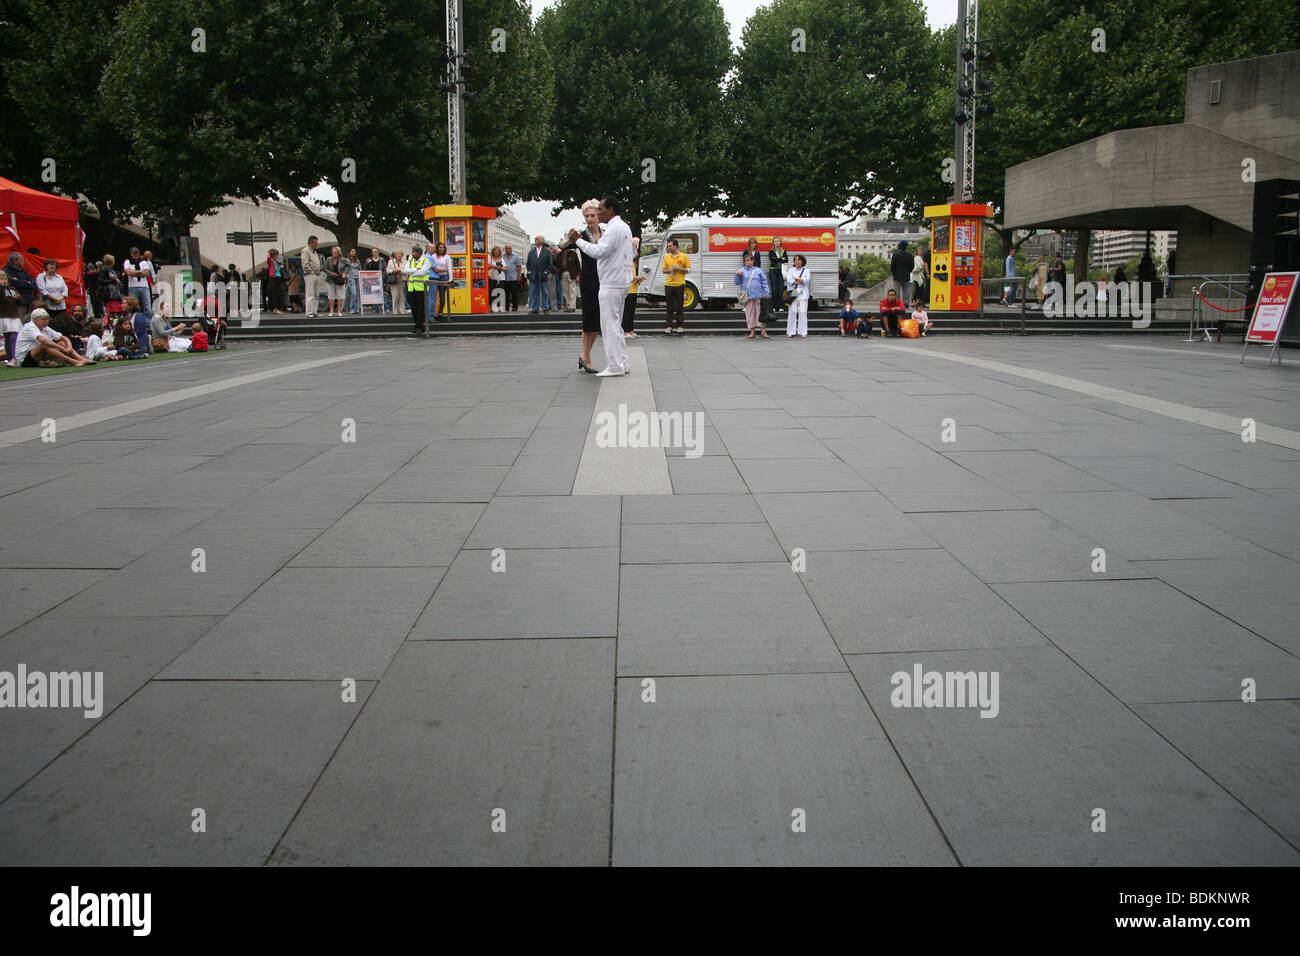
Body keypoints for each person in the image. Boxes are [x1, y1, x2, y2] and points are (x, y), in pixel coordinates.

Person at [570, 194, 634, 377]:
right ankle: (622, 362)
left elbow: (599, 251)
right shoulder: (624, 227)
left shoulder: (613, 229)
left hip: (611, 282)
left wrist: (578, 241)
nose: (598, 213)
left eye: (600, 210)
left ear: (610, 210)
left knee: (609, 326)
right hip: (620, 281)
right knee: (616, 324)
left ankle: (615, 365)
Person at [561, 199, 602, 373]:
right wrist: (570, 238)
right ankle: (585, 356)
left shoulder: (606, 232)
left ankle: (584, 356)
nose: (590, 219)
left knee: (597, 322)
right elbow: (562, 246)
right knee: (589, 320)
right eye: (587, 216)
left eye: (592, 215)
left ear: (599, 215)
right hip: (589, 280)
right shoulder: (582, 235)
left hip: (604, 280)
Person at [15, 308, 93, 367]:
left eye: (47, 319)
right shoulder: (29, 327)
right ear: (35, 320)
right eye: (43, 319)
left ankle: (80, 359)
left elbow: (63, 338)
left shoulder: (44, 327)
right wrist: (61, 348)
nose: (46, 321)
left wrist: (68, 347)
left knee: (62, 343)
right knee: (45, 345)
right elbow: (43, 340)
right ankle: (73, 361)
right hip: (24, 359)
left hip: (38, 356)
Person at [735, 253, 770, 339]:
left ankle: (763, 331)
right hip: (748, 296)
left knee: (760, 313)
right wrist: (737, 275)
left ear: (752, 260)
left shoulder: (758, 270)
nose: (746, 262)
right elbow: (737, 282)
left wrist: (767, 292)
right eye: (745, 261)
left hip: (758, 295)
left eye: (748, 260)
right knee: (749, 314)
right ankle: (752, 331)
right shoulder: (742, 270)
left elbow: (764, 282)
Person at [662, 237, 690, 334]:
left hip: (679, 284)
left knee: (679, 306)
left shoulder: (683, 256)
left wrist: (680, 268)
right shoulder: (666, 257)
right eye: (668, 246)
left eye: (670, 246)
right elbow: (663, 270)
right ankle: (669, 326)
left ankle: (680, 325)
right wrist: (669, 270)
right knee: (669, 306)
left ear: (675, 246)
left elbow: (688, 270)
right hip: (669, 284)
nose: (668, 247)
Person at [403, 243, 431, 334]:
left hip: (422, 288)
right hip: (411, 288)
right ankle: (417, 325)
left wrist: (411, 272)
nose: (412, 253)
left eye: (413, 252)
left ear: (418, 253)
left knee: (420, 309)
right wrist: (416, 270)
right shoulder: (410, 260)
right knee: (414, 308)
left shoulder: (425, 260)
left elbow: (423, 272)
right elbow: (405, 270)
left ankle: (420, 326)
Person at [526, 235, 553, 314]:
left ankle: (545, 308)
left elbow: (550, 264)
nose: (535, 240)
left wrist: (546, 272)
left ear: (542, 240)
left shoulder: (547, 252)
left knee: (544, 291)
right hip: (533, 274)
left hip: (543, 273)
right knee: (534, 291)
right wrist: (529, 272)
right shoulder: (531, 252)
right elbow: (528, 264)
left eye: (537, 239)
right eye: (535, 239)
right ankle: (535, 308)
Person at [123, 247, 153, 316]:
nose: (135, 255)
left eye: (136, 253)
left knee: (147, 306)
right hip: (133, 286)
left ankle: (148, 322)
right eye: (134, 253)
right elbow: (128, 273)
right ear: (131, 254)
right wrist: (140, 272)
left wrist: (134, 272)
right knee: (133, 306)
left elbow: (147, 273)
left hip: (144, 286)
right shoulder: (127, 262)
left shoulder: (144, 262)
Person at [786, 254, 811, 337]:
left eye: (799, 260)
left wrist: (800, 280)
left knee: (803, 313)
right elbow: (789, 280)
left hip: (803, 293)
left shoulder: (806, 270)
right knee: (792, 312)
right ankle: (790, 331)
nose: (797, 261)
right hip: (794, 292)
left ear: (802, 261)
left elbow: (806, 280)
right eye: (795, 260)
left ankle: (803, 331)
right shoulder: (791, 270)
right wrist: (797, 281)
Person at [622, 236, 642, 338]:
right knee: (627, 312)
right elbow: (628, 276)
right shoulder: (626, 261)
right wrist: (638, 277)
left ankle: (630, 330)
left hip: (633, 290)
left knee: (631, 312)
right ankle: (625, 331)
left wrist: (638, 279)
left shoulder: (633, 263)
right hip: (628, 290)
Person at [430, 242, 453, 321]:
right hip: (435, 276)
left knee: (442, 295)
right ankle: (433, 313)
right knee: (433, 295)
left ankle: (440, 312)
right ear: (437, 248)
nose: (442, 249)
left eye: (443, 247)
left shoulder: (447, 257)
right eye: (440, 247)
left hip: (444, 276)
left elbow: (449, 268)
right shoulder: (433, 256)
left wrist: (450, 279)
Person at [301, 236, 323, 317]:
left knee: (316, 294)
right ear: (311, 242)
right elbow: (305, 263)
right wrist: (310, 271)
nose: (316, 244)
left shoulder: (314, 251)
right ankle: (309, 312)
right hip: (310, 274)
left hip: (316, 274)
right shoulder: (306, 250)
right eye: (315, 243)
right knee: (310, 294)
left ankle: (314, 311)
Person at [98, 254, 124, 319]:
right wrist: (113, 280)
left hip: (113, 293)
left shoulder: (110, 269)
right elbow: (101, 280)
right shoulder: (105, 269)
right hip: (108, 293)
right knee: (109, 309)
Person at [767, 236, 787, 315]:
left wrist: (778, 259)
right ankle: (774, 306)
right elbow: (772, 259)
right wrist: (781, 259)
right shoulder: (771, 251)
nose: (777, 243)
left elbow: (786, 260)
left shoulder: (783, 251)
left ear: (780, 242)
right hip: (773, 271)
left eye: (778, 241)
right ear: (773, 243)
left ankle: (781, 306)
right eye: (775, 241)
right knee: (774, 289)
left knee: (780, 289)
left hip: (781, 271)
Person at [556, 245, 580, 313]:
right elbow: (557, 265)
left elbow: (578, 265)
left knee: (572, 290)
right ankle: (568, 306)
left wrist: (578, 275)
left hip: (572, 273)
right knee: (566, 291)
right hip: (563, 273)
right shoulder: (559, 255)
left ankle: (572, 306)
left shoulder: (573, 254)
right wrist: (559, 273)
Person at [324, 246, 346, 316]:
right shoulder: (329, 259)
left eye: (336, 252)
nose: (334, 253)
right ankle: (331, 311)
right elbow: (324, 268)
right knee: (331, 295)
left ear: (339, 253)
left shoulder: (343, 259)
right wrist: (330, 273)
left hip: (340, 279)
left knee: (340, 295)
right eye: (333, 252)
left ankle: (339, 311)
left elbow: (349, 266)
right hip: (331, 279)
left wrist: (344, 273)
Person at [891, 240, 914, 306]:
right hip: (906, 274)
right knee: (907, 290)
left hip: (897, 274)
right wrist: (908, 271)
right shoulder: (910, 255)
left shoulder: (895, 255)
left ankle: (897, 303)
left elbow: (893, 265)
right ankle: (906, 303)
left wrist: (894, 273)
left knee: (897, 290)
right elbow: (912, 266)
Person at [502, 244, 523, 312]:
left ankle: (515, 307)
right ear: (505, 249)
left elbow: (519, 266)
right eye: (506, 248)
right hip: (505, 278)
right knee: (506, 294)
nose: (508, 250)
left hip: (513, 278)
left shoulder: (515, 256)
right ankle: (506, 307)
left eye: (509, 248)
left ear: (511, 249)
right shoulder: (502, 256)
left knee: (514, 294)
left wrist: (519, 275)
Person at [388, 248, 408, 315]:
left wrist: (399, 270)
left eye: (401, 254)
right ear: (395, 255)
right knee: (395, 295)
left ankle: (402, 310)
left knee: (401, 295)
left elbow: (405, 270)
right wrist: (393, 271)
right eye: (398, 254)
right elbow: (388, 270)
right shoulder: (391, 262)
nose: (399, 255)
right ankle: (395, 310)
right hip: (394, 280)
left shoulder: (404, 262)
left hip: (402, 279)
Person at [362, 249, 383, 313]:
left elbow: (384, 268)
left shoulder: (381, 260)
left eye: (376, 252)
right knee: (374, 292)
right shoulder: (369, 260)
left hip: (379, 278)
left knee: (380, 292)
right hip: (371, 279)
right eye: (374, 252)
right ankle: (376, 307)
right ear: (372, 253)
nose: (375, 253)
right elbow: (365, 268)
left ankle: (385, 306)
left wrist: (383, 276)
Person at [265, 249, 286, 314]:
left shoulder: (276, 262)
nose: (278, 256)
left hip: (277, 279)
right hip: (273, 279)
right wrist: (270, 253)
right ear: (274, 255)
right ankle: (275, 308)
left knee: (278, 294)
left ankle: (277, 308)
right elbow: (268, 257)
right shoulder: (270, 261)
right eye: (277, 255)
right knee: (274, 294)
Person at [487, 246, 506, 310]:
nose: (496, 252)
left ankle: (499, 306)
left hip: (501, 278)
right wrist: (494, 266)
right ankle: (492, 306)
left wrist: (500, 268)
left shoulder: (502, 259)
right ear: (493, 252)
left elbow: (505, 268)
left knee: (500, 292)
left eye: (498, 251)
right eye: (495, 251)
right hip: (493, 278)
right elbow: (487, 266)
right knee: (492, 292)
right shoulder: (490, 259)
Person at [344, 248, 361, 314]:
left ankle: (356, 308)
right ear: (349, 253)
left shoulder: (357, 261)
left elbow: (360, 269)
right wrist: (348, 277)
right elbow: (346, 269)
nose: (354, 252)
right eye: (352, 251)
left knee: (357, 294)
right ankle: (352, 308)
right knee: (354, 293)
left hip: (357, 277)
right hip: (351, 278)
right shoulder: (347, 260)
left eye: (354, 251)